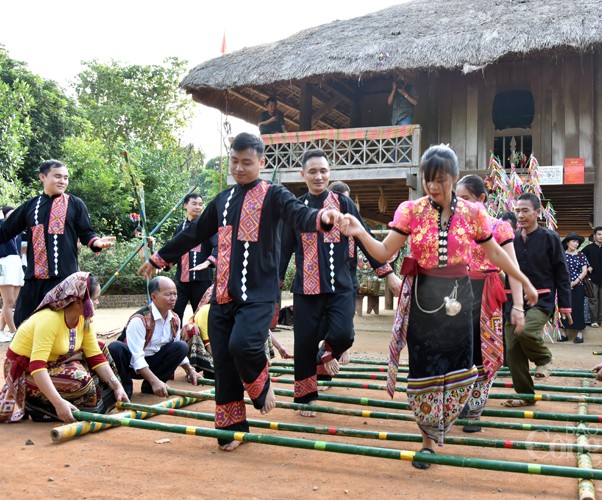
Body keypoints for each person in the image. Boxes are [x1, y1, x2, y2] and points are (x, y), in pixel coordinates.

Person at [138, 132, 341, 451]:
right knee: (224, 363)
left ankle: (262, 387)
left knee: (244, 345)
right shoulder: (222, 201)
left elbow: (299, 215)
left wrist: (322, 218)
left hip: (259, 296)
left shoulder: (274, 195)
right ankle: (232, 427)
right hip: (222, 296)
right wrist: (160, 257)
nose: (240, 168)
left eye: (247, 162)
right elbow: (193, 233)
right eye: (235, 161)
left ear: (261, 162)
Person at [339, 145, 538, 469]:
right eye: (428, 180)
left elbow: (497, 255)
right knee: (423, 372)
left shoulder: (474, 215)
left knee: (461, 370)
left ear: (455, 177)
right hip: (423, 299)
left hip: (461, 299)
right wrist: (360, 231)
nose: (433, 186)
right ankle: (427, 442)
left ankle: (449, 418)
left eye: (441, 180)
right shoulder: (411, 211)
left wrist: (523, 281)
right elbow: (384, 250)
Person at [279, 149, 400, 415]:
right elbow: (283, 250)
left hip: (341, 285)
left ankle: (327, 354)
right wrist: (273, 289)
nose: (318, 176)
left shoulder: (344, 205)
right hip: (306, 288)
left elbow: (365, 237)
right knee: (304, 343)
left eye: (323, 171)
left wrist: (388, 273)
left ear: (329, 173)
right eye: (312, 171)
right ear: (303, 175)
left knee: (344, 334)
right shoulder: (295, 208)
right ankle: (306, 396)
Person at [0, 160, 116, 327]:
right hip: (34, 279)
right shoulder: (30, 206)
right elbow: (5, 232)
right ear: (42, 177)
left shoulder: (75, 204)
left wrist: (96, 242)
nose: (63, 181)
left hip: (65, 280)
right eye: (57, 176)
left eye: (66, 178)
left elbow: (86, 233)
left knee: (62, 326)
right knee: (24, 324)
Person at [0, 272, 128, 423]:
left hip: (56, 363)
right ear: (79, 302)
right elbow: (37, 367)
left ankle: (68, 403)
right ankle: (37, 403)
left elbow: (96, 356)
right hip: (27, 370)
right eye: (94, 299)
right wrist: (58, 403)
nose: (98, 303)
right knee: (83, 382)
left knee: (101, 349)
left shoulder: (82, 319)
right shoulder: (50, 319)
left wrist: (117, 386)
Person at [455, 174, 524, 432]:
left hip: (487, 292)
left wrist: (518, 305)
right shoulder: (453, 227)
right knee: (458, 349)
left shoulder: (499, 227)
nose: (460, 204)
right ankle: (459, 400)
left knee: (485, 351)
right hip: (456, 291)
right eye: (457, 199)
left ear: (481, 199)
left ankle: (474, 408)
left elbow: (512, 267)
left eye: (466, 199)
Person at [502, 192, 572, 407]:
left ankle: (543, 359)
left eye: (525, 210)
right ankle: (525, 395)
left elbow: (562, 273)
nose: (520, 215)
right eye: (518, 211)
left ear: (537, 212)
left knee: (527, 331)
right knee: (512, 349)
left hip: (541, 300)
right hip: (511, 301)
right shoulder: (510, 238)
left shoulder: (549, 237)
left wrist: (566, 307)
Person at [109, 277, 199, 398]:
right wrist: (154, 380)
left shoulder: (175, 319)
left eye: (175, 294)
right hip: (131, 364)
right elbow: (136, 357)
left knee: (181, 347)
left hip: (153, 362)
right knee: (115, 347)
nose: (173, 298)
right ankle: (125, 387)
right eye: (168, 294)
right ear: (154, 297)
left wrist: (190, 370)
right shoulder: (139, 320)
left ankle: (151, 387)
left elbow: (177, 348)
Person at [171, 193, 217, 322]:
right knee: (175, 314)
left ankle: (202, 342)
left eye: (200, 204)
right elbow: (174, 251)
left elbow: (220, 247)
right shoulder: (180, 228)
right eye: (194, 203)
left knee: (201, 316)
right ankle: (175, 341)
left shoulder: (209, 227)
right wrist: (161, 262)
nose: (198, 207)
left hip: (202, 280)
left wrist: (208, 262)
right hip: (181, 281)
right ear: (185, 205)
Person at [582, 226, 602, 328]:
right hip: (592, 278)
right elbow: (581, 259)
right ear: (595, 236)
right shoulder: (588, 249)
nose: (601, 237)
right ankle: (594, 321)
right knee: (593, 300)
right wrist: (587, 267)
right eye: (599, 234)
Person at [0, 206, 24, 342]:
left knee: (12, 302)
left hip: (16, 263)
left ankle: (1, 331)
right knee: (8, 301)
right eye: (11, 214)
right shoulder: (2, 228)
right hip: (4, 263)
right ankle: (14, 332)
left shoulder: (18, 232)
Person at [561, 232, 589, 343]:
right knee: (563, 307)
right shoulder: (562, 255)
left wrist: (575, 281)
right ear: (567, 243)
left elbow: (584, 271)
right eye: (573, 241)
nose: (576, 244)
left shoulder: (581, 255)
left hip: (578, 286)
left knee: (578, 308)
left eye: (577, 242)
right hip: (564, 286)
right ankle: (563, 333)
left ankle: (580, 333)